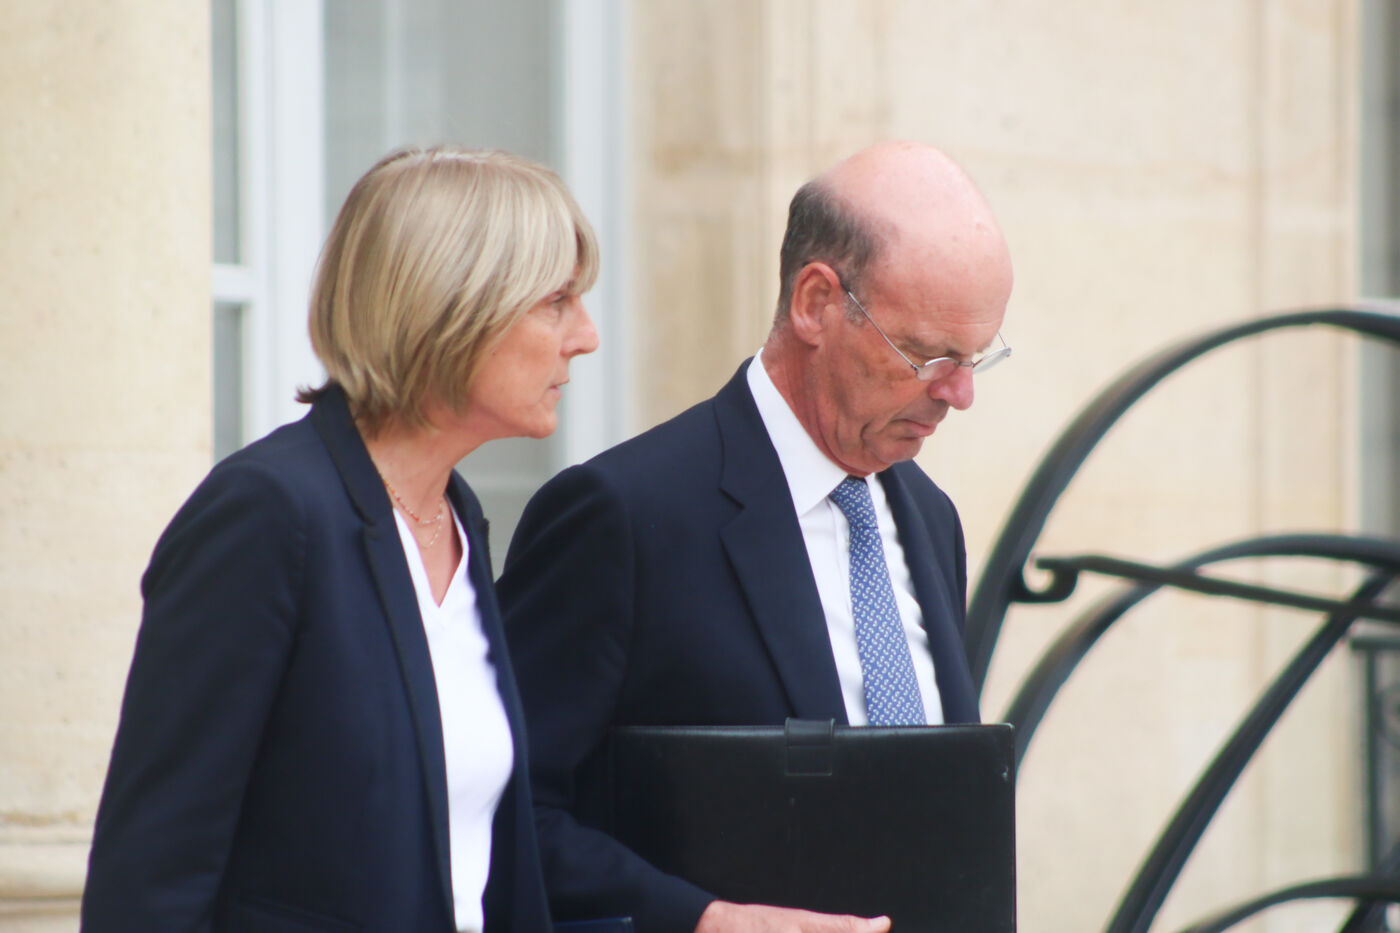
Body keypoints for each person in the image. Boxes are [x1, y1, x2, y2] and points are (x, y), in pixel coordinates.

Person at [497, 140, 1014, 933]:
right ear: (815, 303)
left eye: (976, 358)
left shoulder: (930, 518)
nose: (961, 393)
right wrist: (705, 920)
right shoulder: (622, 517)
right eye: (926, 354)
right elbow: (508, 819)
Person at [81, 146, 600, 932]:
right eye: (557, 299)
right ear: (453, 303)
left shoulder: (455, 514)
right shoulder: (268, 513)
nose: (585, 336)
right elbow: (152, 874)